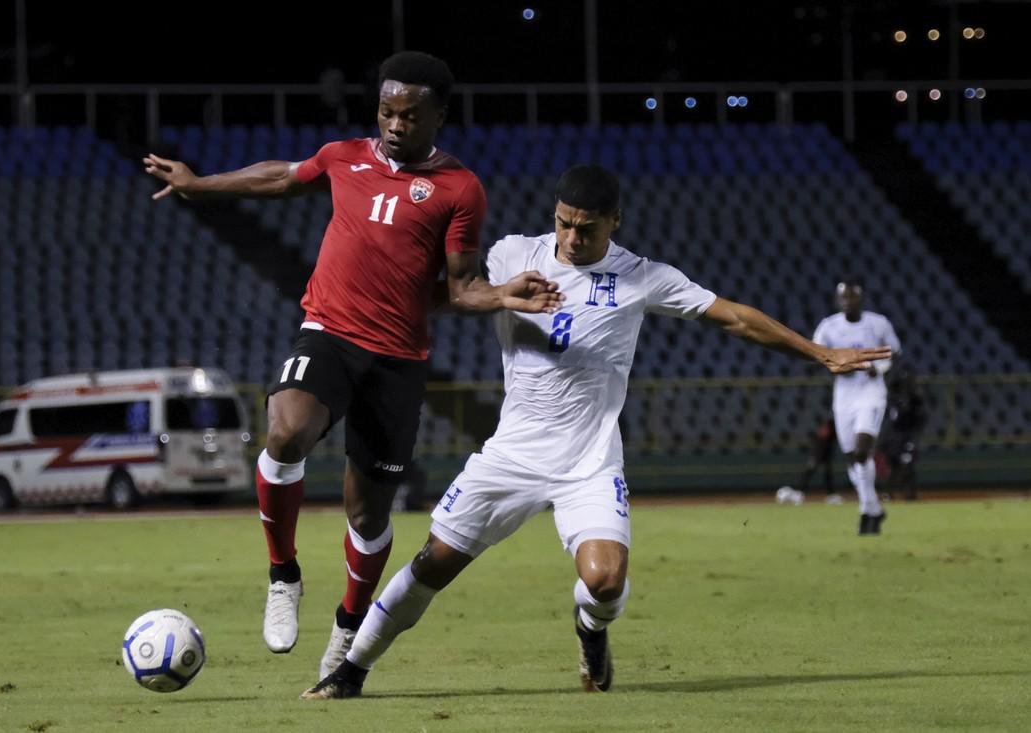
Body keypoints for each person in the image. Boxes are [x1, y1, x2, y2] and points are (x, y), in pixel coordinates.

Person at [301, 164, 892, 699]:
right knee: (432, 563)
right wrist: (490, 296)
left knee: (605, 581)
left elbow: (734, 317)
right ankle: (351, 671)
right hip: (513, 453)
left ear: (615, 221)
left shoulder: (642, 277)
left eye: (586, 228)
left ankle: (590, 632)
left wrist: (817, 352)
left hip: (589, 459)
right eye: (563, 224)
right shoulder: (512, 255)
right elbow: (438, 294)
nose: (572, 239)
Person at [143, 51, 564, 677]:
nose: (395, 124)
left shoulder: (459, 189)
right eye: (387, 110)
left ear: (438, 117)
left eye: (410, 114)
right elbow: (279, 178)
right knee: (285, 432)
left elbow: (460, 286)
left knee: (367, 516)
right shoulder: (344, 157)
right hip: (329, 335)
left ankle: (347, 625)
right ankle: (283, 574)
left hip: (397, 362)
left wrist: (502, 295)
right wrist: (198, 183)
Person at [812, 280, 901, 534]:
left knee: (863, 452)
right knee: (852, 456)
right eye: (844, 298)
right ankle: (873, 508)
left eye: (853, 297)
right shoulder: (829, 327)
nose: (848, 302)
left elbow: (894, 352)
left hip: (871, 393)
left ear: (861, 299)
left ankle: (865, 510)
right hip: (844, 396)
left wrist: (880, 368)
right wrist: (838, 365)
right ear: (838, 300)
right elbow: (816, 354)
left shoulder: (878, 323)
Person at [879, 365, 925, 500]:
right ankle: (888, 494)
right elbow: (890, 419)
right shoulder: (892, 398)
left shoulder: (915, 400)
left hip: (908, 435)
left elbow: (920, 419)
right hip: (894, 437)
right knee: (892, 466)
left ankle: (910, 494)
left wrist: (916, 434)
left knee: (907, 465)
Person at [797, 413, 839, 503]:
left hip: (825, 455)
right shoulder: (830, 424)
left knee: (827, 475)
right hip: (818, 454)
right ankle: (800, 493)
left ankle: (831, 495)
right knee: (809, 473)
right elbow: (823, 438)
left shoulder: (834, 424)